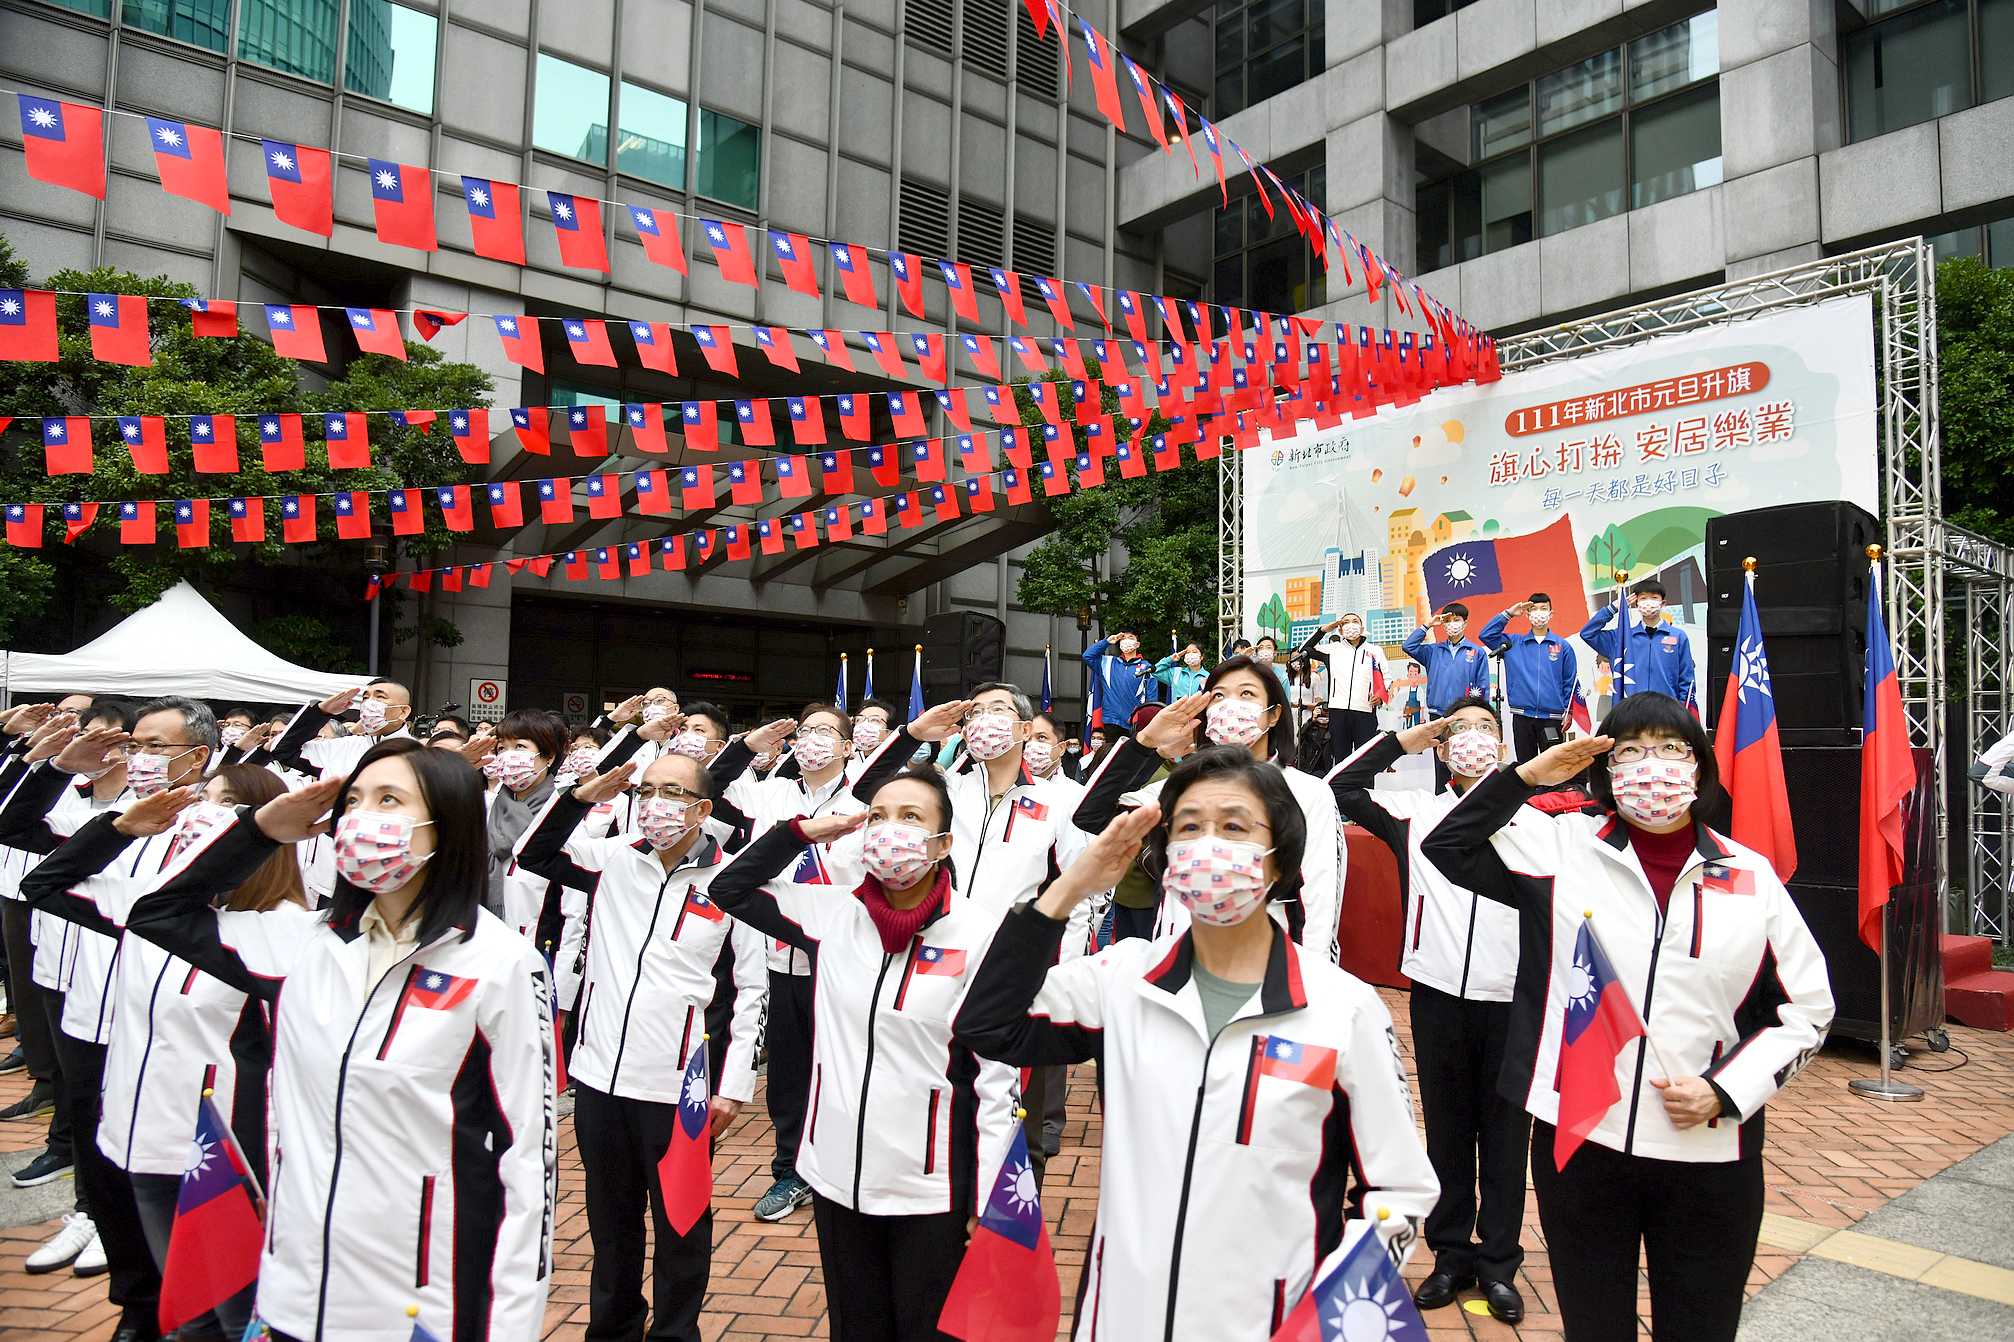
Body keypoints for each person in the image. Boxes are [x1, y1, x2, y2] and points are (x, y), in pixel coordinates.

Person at [956, 748, 1439, 1341]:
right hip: (1122, 1318)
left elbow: (1399, 1191)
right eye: (1188, 827)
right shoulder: (1123, 981)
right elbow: (988, 1025)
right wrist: (1070, 887)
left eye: (1234, 826)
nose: (1208, 843)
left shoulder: (1343, 1010)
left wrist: (1333, 1322)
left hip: (1269, 1326)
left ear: (1278, 855)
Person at [1420, 693, 1834, 1342]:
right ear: (1604, 769)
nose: (1653, 767)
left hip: (1709, 1152)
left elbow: (1807, 1009)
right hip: (1583, 1143)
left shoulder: (1747, 875)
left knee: (1699, 1326)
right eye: (1632, 750)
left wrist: (1727, 1090)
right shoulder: (1558, 850)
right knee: (1594, 1326)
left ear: (1699, 767)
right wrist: (1529, 774)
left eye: (1671, 749)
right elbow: (1447, 843)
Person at [123, 738, 557, 1342]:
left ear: (447, 824)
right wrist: (262, 831)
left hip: (421, 1301)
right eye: (353, 801)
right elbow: (157, 915)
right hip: (300, 1287)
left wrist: (511, 1322)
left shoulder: (499, 964)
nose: (363, 818)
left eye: (389, 800)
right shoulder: (307, 944)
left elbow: (527, 1159)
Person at [709, 768, 1020, 1342]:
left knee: (926, 1329)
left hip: (930, 1185)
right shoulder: (832, 916)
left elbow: (995, 1081)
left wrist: (992, 1198)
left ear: (943, 844)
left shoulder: (979, 934)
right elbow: (727, 888)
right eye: (879, 816)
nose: (890, 830)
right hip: (836, 1175)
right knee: (857, 1328)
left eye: (911, 818)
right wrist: (801, 831)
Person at [23, 763, 308, 1342]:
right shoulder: (144, 907)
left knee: (236, 1318)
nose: (202, 813)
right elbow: (43, 885)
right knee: (182, 1311)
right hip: (137, 1138)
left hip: (222, 1156)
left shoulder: (284, 930)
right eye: (201, 799)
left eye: (226, 804)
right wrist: (120, 829)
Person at [518, 748, 769, 1342]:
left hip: (680, 1088)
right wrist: (579, 795)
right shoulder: (610, 861)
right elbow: (534, 852)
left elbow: (750, 991)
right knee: (611, 1224)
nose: (656, 804)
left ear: (703, 809)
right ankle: (612, 1329)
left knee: (682, 1224)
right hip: (600, 1076)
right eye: (648, 789)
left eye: (674, 793)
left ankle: (676, 1333)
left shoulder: (729, 882)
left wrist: (732, 1088)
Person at [0, 696, 218, 1341]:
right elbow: (16, 833)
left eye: (159, 746)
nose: (143, 758)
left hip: (170, 1026)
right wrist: (56, 766)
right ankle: (137, 1302)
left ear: (198, 756)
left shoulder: (212, 826)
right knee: (102, 1156)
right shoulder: (104, 819)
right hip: (92, 1009)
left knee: (169, 1165)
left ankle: (191, 1296)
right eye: (137, 745)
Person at [1325, 699, 1529, 1322]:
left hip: (1511, 995)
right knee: (1446, 1126)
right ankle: (1449, 1254)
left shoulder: (1535, 818)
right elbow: (1341, 785)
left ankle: (1498, 1262)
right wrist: (1404, 740)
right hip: (1438, 992)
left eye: (1486, 729)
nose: (1473, 740)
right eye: (1460, 731)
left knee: (1503, 1134)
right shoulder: (1414, 814)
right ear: (1442, 748)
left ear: (1504, 743)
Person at [708, 702, 923, 1222]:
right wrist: (747, 745)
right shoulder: (770, 791)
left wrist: (908, 736)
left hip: (843, 955)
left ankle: (852, 1164)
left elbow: (888, 776)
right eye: (805, 732)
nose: (812, 741)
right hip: (780, 952)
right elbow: (708, 788)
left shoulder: (862, 793)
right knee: (787, 1072)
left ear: (850, 747)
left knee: (848, 1065)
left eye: (827, 733)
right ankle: (790, 1170)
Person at [1075, 660, 1343, 963]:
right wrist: (1148, 745)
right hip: (1178, 970)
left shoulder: (1306, 792)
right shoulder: (1182, 787)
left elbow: (1317, 901)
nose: (1231, 705)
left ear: (1274, 714)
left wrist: (1309, 984)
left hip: (1263, 974)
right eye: (1219, 696)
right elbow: (1091, 815)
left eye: (1246, 694)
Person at [485, 709, 568, 933]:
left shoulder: (562, 814)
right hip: (487, 937)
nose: (509, 755)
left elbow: (572, 911)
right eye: (502, 748)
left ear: (548, 756)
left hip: (537, 942)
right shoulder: (487, 806)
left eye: (520, 746)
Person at [1480, 594, 1581, 763]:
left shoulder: (1562, 646)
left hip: (1552, 718)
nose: (1539, 613)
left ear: (1551, 613)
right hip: (1522, 717)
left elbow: (1569, 682)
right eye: (1534, 609)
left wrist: (1569, 712)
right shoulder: (1512, 643)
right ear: (1527, 614)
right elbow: (1486, 635)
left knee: (1552, 766)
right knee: (1526, 767)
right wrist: (1509, 614)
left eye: (1544, 609)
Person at [1402, 603, 1490, 788]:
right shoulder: (1433, 651)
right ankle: (1440, 803)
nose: (1452, 624)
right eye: (1448, 621)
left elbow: (1483, 687)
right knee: (1441, 762)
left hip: (1464, 716)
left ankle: (1465, 802)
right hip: (1438, 715)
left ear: (1465, 623)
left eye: (1456, 620)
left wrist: (1481, 716)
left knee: (1466, 761)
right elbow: (1408, 646)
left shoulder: (1477, 653)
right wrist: (1427, 625)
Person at [259, 679, 416, 780]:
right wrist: (321, 712)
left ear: (403, 711)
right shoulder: (344, 746)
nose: (369, 703)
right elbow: (283, 750)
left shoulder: (418, 754)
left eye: (380, 697)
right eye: (365, 698)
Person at [1577, 579, 1696, 709]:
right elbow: (1587, 633)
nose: (1649, 602)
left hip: (1668, 712)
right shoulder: (1621, 638)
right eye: (1643, 598)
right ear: (1636, 603)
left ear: (1663, 603)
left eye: (1654, 598)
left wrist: (1683, 711)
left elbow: (1686, 679)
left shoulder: (1678, 637)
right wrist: (1613, 608)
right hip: (1631, 712)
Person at [1300, 613, 1386, 760]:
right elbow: (1304, 648)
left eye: (1355, 621)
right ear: (1340, 629)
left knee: (1365, 759)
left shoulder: (1375, 651)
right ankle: (1341, 784)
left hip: (1365, 711)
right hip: (1338, 712)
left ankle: (1365, 785)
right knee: (1340, 758)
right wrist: (1324, 630)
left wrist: (1380, 696)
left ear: (1362, 627)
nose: (1351, 625)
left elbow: (1386, 678)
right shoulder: (1332, 649)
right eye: (1346, 622)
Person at [1081, 631, 1155, 739]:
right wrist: (1107, 642)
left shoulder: (1147, 667)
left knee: (1131, 754)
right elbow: (1087, 656)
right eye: (1123, 638)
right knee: (1114, 753)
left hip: (1134, 723)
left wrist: (1145, 721)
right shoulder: (1108, 662)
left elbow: (1151, 700)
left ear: (1137, 644)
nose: (1126, 640)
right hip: (1112, 720)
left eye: (1130, 637)